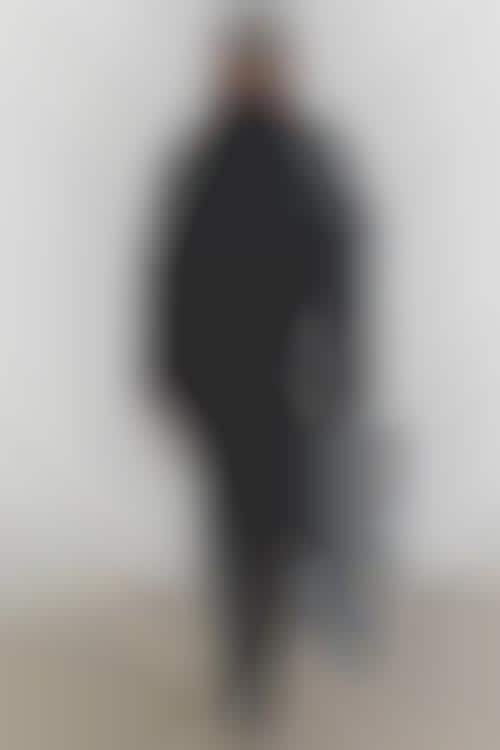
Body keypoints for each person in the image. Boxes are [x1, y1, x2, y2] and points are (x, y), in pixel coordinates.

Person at [145, 20, 366, 724]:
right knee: (232, 527)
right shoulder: (203, 164)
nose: (252, 80)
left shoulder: (306, 163)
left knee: (274, 526)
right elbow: (170, 274)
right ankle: (244, 662)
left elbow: (340, 275)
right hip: (221, 383)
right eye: (243, 68)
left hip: (285, 383)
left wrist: (341, 367)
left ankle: (258, 666)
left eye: (261, 68)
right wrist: (168, 367)